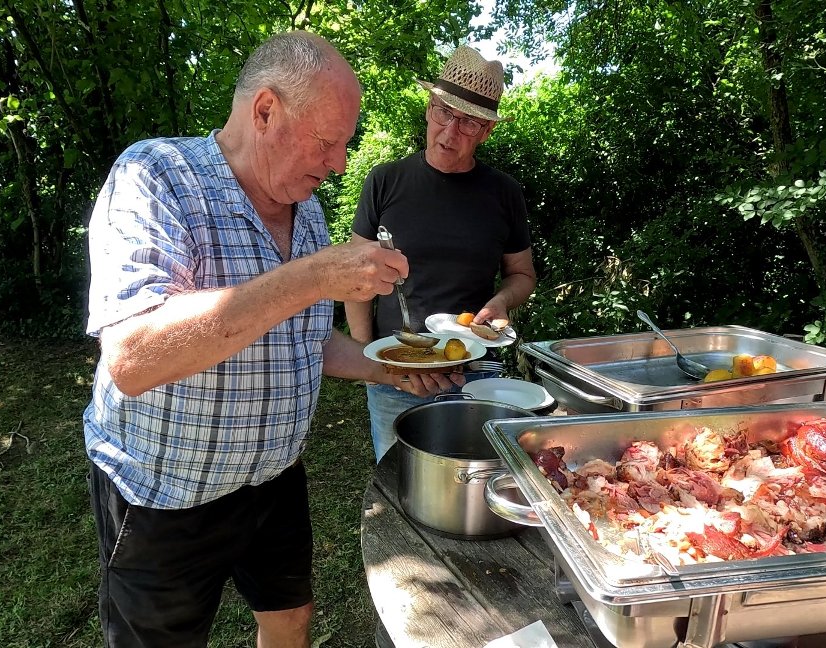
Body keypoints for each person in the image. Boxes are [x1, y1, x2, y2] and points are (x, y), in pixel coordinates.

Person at [81, 31, 438, 648]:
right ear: (266, 110)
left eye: (345, 145)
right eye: (327, 141)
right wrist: (311, 277)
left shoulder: (309, 212)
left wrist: (388, 366)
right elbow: (132, 358)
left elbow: (305, 341)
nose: (339, 164)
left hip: (274, 479)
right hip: (164, 493)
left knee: (289, 619)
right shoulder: (157, 175)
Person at [345, 45, 537, 462]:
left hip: (476, 373)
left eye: (468, 122)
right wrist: (367, 359)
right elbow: (355, 278)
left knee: (471, 479)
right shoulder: (385, 181)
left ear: (487, 131)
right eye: (443, 113)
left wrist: (502, 301)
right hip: (399, 372)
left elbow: (522, 274)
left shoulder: (504, 193)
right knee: (398, 480)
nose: (449, 132)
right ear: (428, 108)